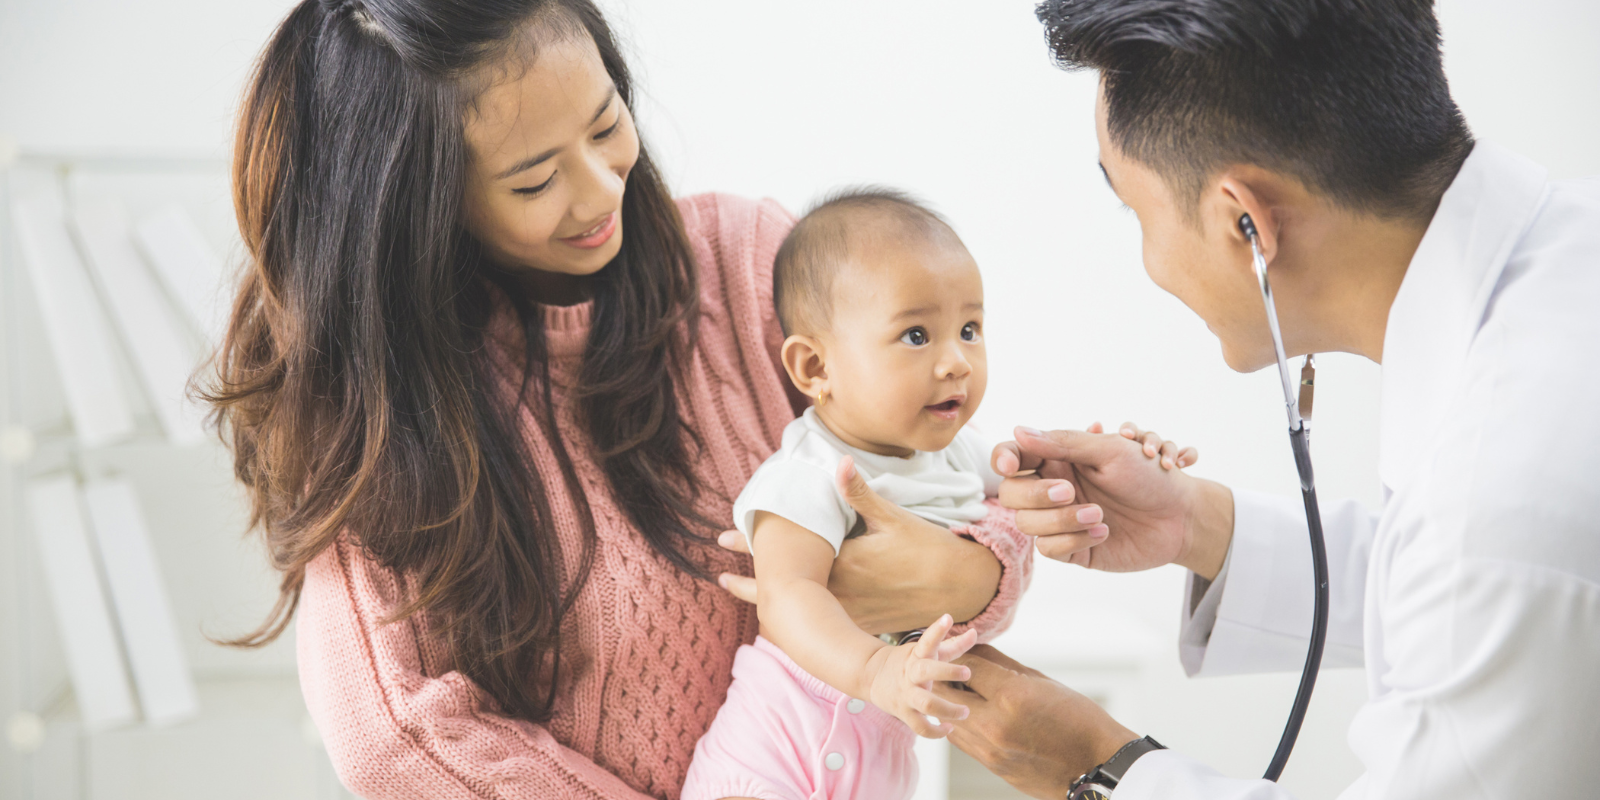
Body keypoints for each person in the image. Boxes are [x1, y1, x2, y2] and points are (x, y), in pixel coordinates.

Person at [208, 2, 1037, 797]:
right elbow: (391, 734)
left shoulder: (750, 266)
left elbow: (930, 483)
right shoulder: (386, 415)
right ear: (420, 210)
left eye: (607, 126)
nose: (604, 189)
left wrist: (982, 569)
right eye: (535, 182)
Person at [920, 1, 1600, 798]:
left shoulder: (1504, 504)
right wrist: (1194, 524)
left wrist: (1102, 768)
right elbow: (1471, 599)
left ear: (1246, 223)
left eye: (1132, 209)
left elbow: (1484, 574)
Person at [683, 190, 1030, 800]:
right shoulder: (809, 473)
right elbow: (787, 596)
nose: (956, 362)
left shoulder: (958, 452)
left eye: (970, 329)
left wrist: (1095, 468)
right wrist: (876, 671)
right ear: (815, 369)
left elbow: (1033, 490)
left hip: (877, 768)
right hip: (773, 756)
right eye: (917, 335)